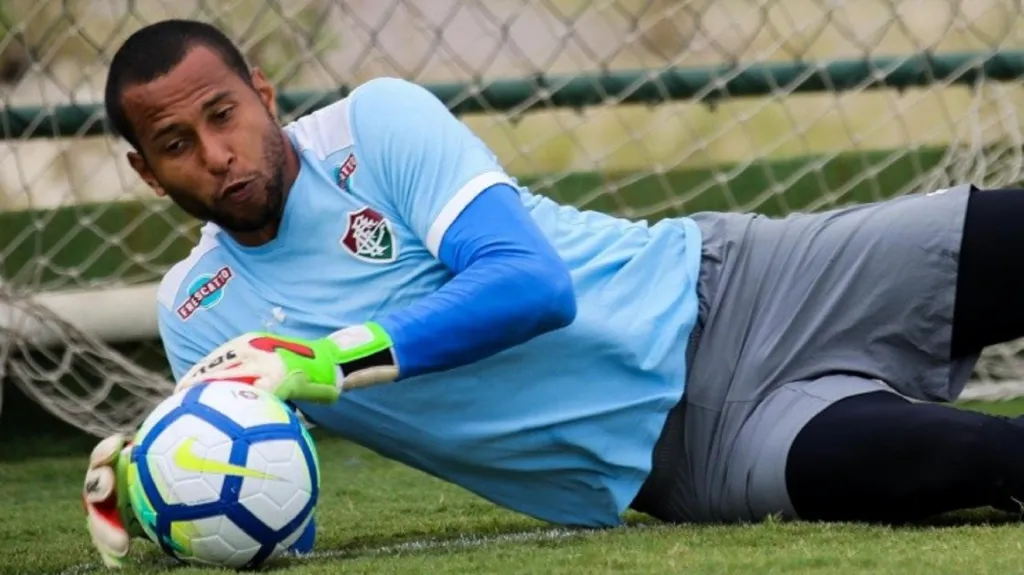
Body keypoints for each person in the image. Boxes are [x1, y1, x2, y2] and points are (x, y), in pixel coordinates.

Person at [83, 17, 1024, 567]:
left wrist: (330, 357)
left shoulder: (376, 124)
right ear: (147, 173)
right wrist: (147, 479)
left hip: (744, 282)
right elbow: (251, 467)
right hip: (696, 456)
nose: (218, 154)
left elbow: (531, 285)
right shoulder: (198, 311)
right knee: (972, 458)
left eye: (225, 115)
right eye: (177, 145)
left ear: (263, 93)